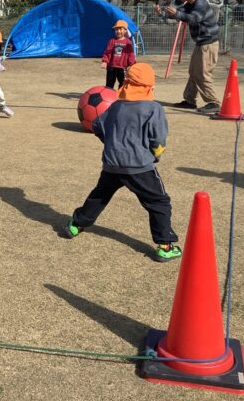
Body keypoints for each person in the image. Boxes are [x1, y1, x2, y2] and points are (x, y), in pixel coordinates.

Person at [64, 62, 182, 262]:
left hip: (112, 164)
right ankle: (165, 245)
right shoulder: (154, 108)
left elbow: (97, 125)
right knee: (159, 202)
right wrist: (155, 155)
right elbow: (159, 139)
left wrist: (111, 143)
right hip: (140, 167)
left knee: (100, 196)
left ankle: (76, 224)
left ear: (127, 83)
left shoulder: (115, 106)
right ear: (149, 86)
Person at [156, 0, 221, 114]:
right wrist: (161, 13)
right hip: (202, 43)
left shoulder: (200, 4)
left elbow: (193, 18)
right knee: (193, 72)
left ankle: (213, 102)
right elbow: (179, 12)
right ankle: (190, 100)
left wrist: (176, 13)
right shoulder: (190, 4)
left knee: (202, 73)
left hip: (208, 43)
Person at [101, 20, 136, 89]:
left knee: (123, 83)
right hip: (111, 67)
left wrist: (131, 64)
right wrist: (105, 61)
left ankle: (120, 94)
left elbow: (130, 54)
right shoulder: (111, 41)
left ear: (125, 31)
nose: (118, 31)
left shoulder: (128, 42)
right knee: (109, 83)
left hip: (123, 67)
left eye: (120, 29)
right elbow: (107, 52)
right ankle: (109, 94)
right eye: (116, 29)